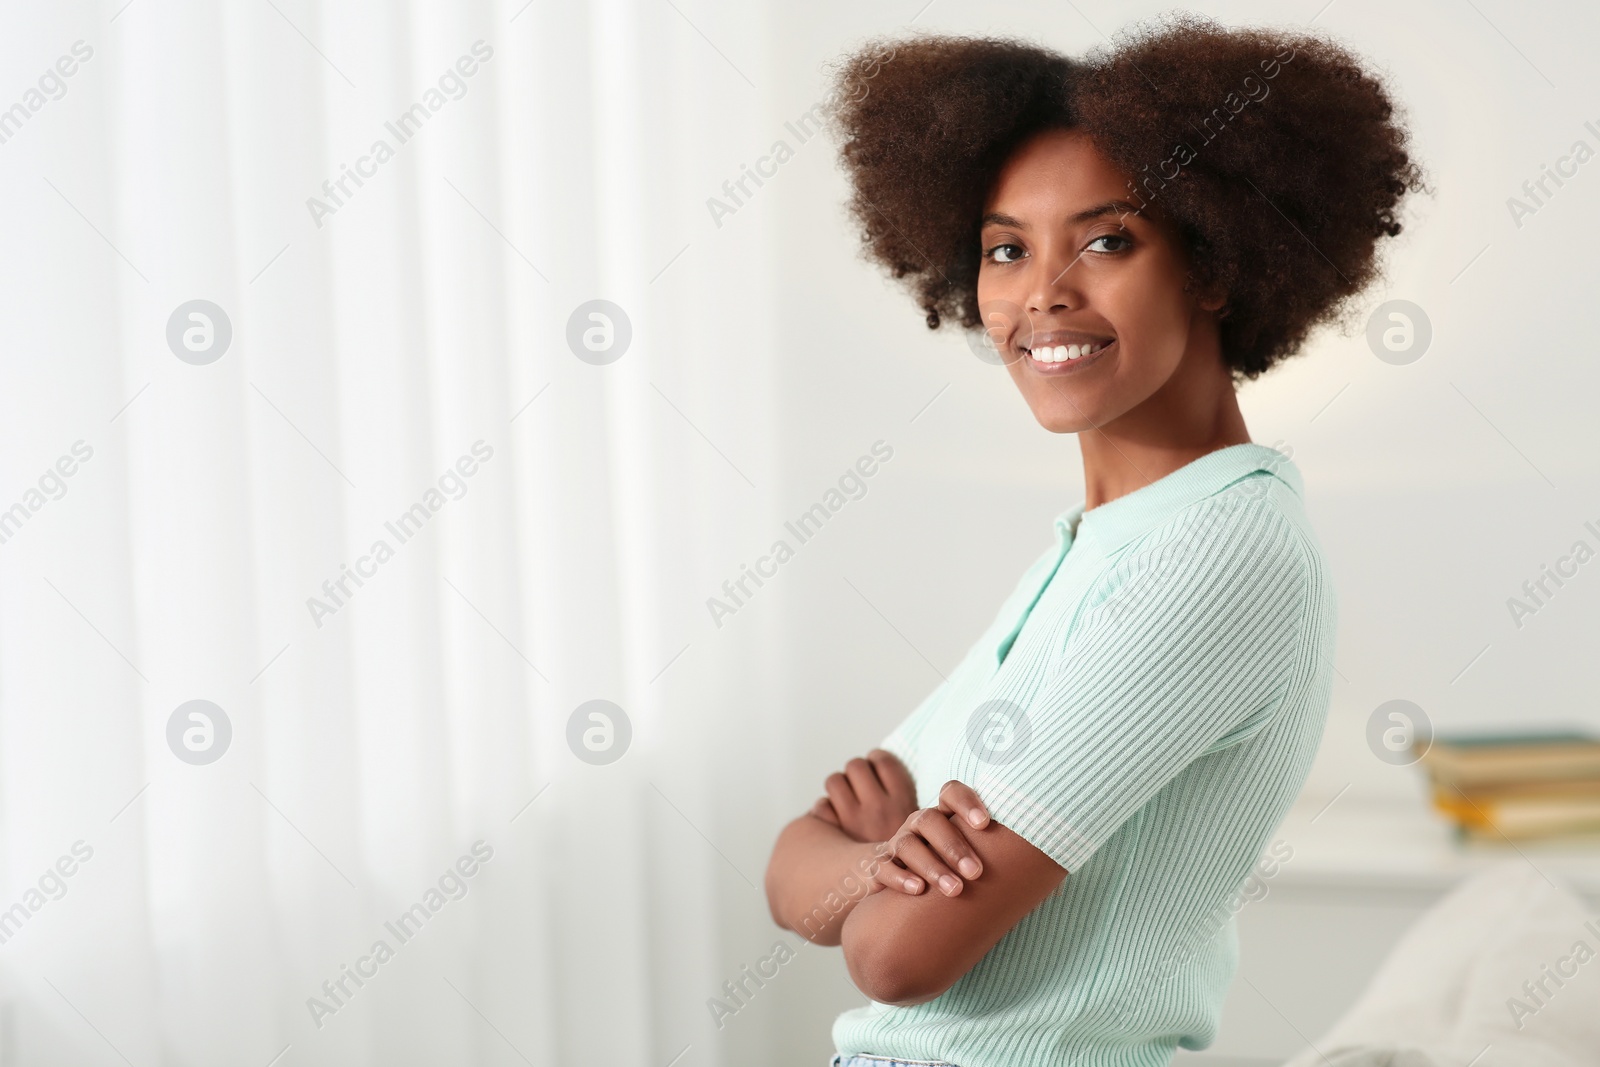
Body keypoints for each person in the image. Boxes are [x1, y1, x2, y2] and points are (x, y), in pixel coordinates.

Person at [763, 14, 1427, 1067]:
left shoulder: (1217, 558)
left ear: (1213, 262)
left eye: (1106, 240)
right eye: (1004, 249)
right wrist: (874, 857)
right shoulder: (1093, 550)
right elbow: (790, 870)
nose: (1042, 293)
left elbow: (896, 954)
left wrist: (866, 869)